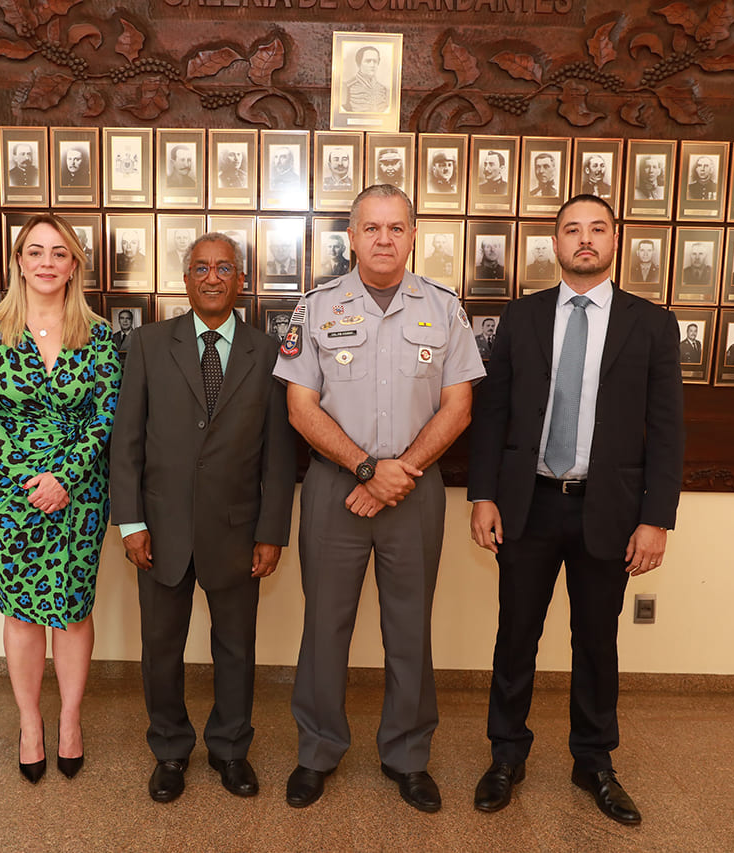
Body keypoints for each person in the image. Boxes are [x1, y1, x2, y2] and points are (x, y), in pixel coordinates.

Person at [468, 193, 684, 827]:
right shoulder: (522, 318)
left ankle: (593, 761)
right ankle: (506, 755)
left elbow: (666, 430)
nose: (584, 239)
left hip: (608, 512)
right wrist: (483, 495)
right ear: (554, 243)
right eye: (571, 230)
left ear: (615, 240)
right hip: (528, 505)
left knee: (597, 642)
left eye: (597, 229)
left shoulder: (651, 324)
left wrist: (656, 518)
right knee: (516, 638)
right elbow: (494, 416)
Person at [275, 184, 484, 813]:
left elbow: (459, 405)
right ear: (351, 237)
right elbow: (299, 406)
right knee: (325, 625)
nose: (384, 239)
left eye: (397, 228)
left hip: (414, 492)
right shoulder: (315, 308)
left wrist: (400, 470)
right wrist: (367, 468)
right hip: (335, 489)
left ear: (414, 236)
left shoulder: (444, 309)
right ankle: (317, 751)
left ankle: (407, 755)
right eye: (372, 228)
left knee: (409, 628)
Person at [110, 232, 296, 804]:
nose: (212, 277)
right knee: (160, 647)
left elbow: (278, 455)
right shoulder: (146, 344)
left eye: (224, 268)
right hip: (159, 531)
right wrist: (132, 522)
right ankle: (169, 749)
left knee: (236, 646)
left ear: (241, 280)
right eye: (200, 268)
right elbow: (127, 442)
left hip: (238, 531)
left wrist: (271, 532)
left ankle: (230, 748)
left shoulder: (267, 353)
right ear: (185, 279)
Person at [0, 213, 121, 783]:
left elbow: (105, 419)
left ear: (73, 263)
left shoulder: (99, 335)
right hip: (9, 496)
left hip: (78, 497)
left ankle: (71, 721)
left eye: (59, 252)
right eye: (36, 252)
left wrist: (64, 478)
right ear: (19, 262)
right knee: (23, 614)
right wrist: (32, 478)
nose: (47, 262)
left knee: (73, 613)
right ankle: (31, 723)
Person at [343, 45, 388, 112]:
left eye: (375, 61)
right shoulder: (347, 86)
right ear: (359, 63)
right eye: (368, 61)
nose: (372, 65)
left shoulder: (383, 89)